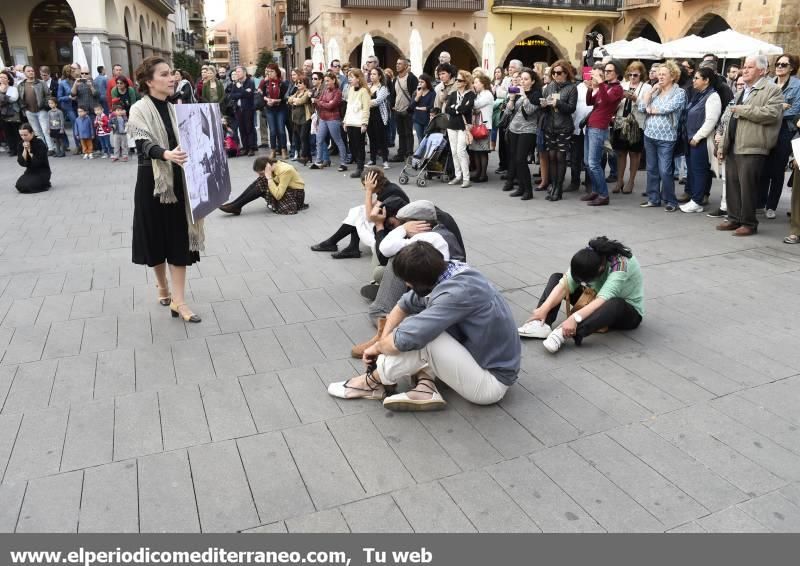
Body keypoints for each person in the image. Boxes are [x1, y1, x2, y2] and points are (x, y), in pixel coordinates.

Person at [327, 241, 520, 412]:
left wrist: (378, 348)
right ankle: (426, 386)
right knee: (417, 326)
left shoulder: (456, 293)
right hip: (477, 360)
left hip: (490, 383)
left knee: (421, 334)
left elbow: (405, 338)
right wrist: (382, 340)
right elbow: (403, 304)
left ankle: (372, 382)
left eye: (407, 282)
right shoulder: (447, 272)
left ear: (415, 281)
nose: (407, 286)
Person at [128, 56, 204, 323]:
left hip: (179, 183)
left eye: (171, 73)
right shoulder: (138, 109)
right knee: (155, 239)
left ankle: (179, 301)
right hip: (153, 183)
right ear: (149, 82)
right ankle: (162, 286)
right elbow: (143, 144)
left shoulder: (177, 109)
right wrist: (165, 154)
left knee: (178, 240)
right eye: (164, 74)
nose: (172, 77)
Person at [354, 200, 467, 357]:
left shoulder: (428, 239)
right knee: (394, 258)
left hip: (432, 296)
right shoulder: (441, 231)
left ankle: (386, 326)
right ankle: (389, 308)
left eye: (403, 225)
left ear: (417, 224)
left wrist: (401, 228)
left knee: (395, 259)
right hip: (437, 291)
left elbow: (385, 249)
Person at [519, 236, 644, 354]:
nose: (584, 283)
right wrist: (544, 308)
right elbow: (565, 283)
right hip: (594, 299)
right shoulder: (589, 255)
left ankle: (563, 332)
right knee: (557, 277)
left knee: (615, 303)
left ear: (601, 268)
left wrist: (573, 319)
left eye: (586, 281)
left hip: (625, 312)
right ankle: (542, 324)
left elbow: (603, 298)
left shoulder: (621, 266)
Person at [715, 55, 784, 236]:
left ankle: (748, 223)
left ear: (762, 70)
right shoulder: (742, 91)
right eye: (744, 67)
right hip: (734, 145)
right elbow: (729, 119)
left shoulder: (772, 89)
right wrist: (722, 146)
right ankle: (733, 218)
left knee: (748, 187)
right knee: (732, 185)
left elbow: (772, 113)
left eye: (750, 67)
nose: (744, 70)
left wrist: (743, 110)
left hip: (753, 145)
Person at [310, 168, 409, 259]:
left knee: (359, 215)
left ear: (373, 183)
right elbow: (370, 207)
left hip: (390, 232)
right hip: (387, 224)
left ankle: (338, 244)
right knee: (358, 211)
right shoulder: (387, 188)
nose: (364, 188)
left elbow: (370, 217)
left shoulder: (389, 191)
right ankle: (346, 246)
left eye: (365, 185)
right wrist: (369, 191)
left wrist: (369, 191)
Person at [638, 61, 687, 212]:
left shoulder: (679, 92)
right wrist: (651, 92)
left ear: (673, 76)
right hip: (649, 135)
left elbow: (668, 108)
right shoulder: (657, 91)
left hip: (667, 137)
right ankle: (653, 198)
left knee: (665, 170)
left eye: (663, 74)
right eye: (658, 74)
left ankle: (671, 200)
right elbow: (641, 107)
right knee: (652, 168)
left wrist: (651, 109)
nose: (660, 77)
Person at [757, 54, 800, 219]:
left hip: (784, 130)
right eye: (778, 63)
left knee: (777, 168)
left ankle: (771, 205)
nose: (780, 67)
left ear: (791, 67)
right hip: (767, 128)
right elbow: (761, 105)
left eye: (784, 64)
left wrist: (773, 110)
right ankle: (760, 202)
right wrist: (779, 107)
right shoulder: (769, 83)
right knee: (763, 165)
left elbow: (795, 110)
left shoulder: (797, 85)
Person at [678, 67, 721, 214]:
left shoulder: (712, 96)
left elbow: (711, 120)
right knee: (693, 170)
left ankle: (697, 201)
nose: (693, 80)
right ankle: (694, 197)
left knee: (699, 171)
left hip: (700, 140)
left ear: (706, 80)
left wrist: (697, 137)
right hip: (690, 139)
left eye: (697, 78)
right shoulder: (699, 94)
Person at [582, 59, 624, 206]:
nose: (606, 73)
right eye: (605, 71)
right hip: (591, 125)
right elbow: (590, 102)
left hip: (599, 127)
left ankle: (603, 194)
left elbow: (606, 102)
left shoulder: (618, 89)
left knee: (594, 163)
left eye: (609, 71)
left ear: (617, 73)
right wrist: (589, 87)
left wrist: (600, 83)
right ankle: (595, 190)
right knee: (588, 162)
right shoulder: (605, 86)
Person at [540, 59, 577, 201]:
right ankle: (554, 186)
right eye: (553, 73)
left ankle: (559, 189)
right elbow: (545, 102)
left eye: (559, 73)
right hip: (550, 126)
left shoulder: (571, 88)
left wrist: (558, 103)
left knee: (560, 157)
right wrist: (544, 104)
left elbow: (571, 108)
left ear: (566, 73)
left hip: (564, 127)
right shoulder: (550, 86)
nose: (556, 75)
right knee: (551, 157)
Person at [611, 61, 651, 195]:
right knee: (620, 152)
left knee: (634, 153)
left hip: (636, 124)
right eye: (630, 74)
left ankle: (631, 181)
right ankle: (619, 180)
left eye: (636, 75)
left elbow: (645, 107)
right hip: (621, 122)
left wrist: (636, 99)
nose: (633, 77)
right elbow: (613, 105)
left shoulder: (646, 87)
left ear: (641, 75)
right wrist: (620, 98)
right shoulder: (622, 85)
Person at [502, 68, 542, 200]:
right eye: (522, 79)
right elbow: (508, 112)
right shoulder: (517, 92)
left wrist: (524, 95)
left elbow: (530, 110)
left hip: (528, 130)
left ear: (532, 81)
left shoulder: (536, 94)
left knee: (521, 159)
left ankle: (528, 191)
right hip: (514, 129)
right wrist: (512, 99)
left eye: (526, 79)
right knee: (515, 159)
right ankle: (521, 188)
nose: (522, 82)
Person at [220, 156, 307, 216]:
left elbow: (278, 195)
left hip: (295, 197)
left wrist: (269, 177)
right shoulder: (274, 166)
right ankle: (235, 204)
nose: (260, 175)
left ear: (267, 167)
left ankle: (236, 206)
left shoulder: (285, 170)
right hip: (287, 191)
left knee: (263, 181)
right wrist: (267, 177)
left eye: (261, 173)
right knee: (262, 180)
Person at [444, 70, 476, 188]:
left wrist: (456, 108)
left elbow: (466, 109)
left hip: (464, 126)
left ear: (465, 82)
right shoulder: (453, 94)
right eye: (457, 80)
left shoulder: (470, 95)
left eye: (460, 80)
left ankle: (466, 178)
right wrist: (458, 108)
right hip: (451, 125)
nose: (457, 82)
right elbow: (448, 109)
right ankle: (458, 176)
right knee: (454, 152)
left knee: (461, 151)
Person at [311, 72, 348, 171]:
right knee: (319, 140)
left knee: (338, 140)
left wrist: (320, 102)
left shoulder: (337, 92)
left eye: (328, 81)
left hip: (333, 119)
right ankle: (318, 161)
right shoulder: (325, 91)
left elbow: (331, 106)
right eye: (325, 81)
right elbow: (321, 103)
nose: (326, 83)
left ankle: (343, 163)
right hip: (323, 118)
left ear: (334, 80)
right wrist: (323, 102)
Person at [343, 69, 371, 178]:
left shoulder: (364, 91)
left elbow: (366, 109)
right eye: (349, 77)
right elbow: (348, 107)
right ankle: (359, 165)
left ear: (358, 78)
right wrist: (345, 121)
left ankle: (360, 168)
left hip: (359, 123)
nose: (350, 79)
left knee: (359, 146)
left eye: (352, 77)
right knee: (352, 145)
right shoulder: (350, 90)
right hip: (350, 121)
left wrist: (364, 123)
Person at [20, 65, 54, 155]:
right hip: (29, 111)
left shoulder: (41, 83)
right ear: (24, 73)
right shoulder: (21, 85)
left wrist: (45, 104)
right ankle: (43, 148)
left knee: (46, 130)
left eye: (32, 71)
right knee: (37, 131)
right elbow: (20, 98)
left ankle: (51, 148)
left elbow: (48, 95)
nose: (31, 72)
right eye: (28, 71)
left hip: (41, 110)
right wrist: (24, 107)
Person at [389, 57, 418, 162]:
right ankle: (401, 153)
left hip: (408, 111)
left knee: (408, 133)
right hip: (397, 110)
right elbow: (393, 94)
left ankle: (409, 154)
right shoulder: (396, 79)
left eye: (400, 64)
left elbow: (416, 95)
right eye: (397, 63)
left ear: (406, 66)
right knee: (400, 133)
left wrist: (410, 109)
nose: (397, 65)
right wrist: (392, 105)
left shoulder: (411, 78)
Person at [468, 74, 494, 183]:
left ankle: (483, 174)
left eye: (476, 82)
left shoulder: (487, 94)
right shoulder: (479, 94)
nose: (474, 84)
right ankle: (478, 172)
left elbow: (475, 105)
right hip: (477, 126)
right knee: (476, 151)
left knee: (482, 151)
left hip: (484, 126)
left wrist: (470, 95)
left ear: (483, 83)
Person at [366, 67, 391, 169]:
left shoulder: (383, 88)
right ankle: (372, 159)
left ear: (379, 76)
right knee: (372, 138)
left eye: (374, 74)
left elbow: (378, 101)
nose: (372, 76)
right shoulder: (368, 87)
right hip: (369, 116)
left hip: (380, 116)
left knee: (382, 139)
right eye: (371, 74)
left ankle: (385, 160)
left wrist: (366, 103)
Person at [15, 123, 51, 193]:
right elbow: (22, 163)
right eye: (21, 135)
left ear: (32, 133)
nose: (23, 137)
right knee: (19, 185)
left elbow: (37, 162)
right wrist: (25, 150)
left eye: (25, 135)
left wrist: (29, 151)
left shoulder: (39, 143)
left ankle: (46, 183)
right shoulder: (20, 144)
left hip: (42, 171)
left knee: (28, 186)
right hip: (30, 171)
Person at [230, 66, 257, 156]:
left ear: (244, 72)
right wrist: (243, 93)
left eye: (239, 72)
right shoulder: (235, 83)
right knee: (242, 128)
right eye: (236, 72)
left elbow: (249, 95)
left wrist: (241, 89)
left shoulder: (250, 82)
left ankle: (251, 147)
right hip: (238, 109)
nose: (237, 73)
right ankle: (245, 147)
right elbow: (232, 95)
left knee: (249, 128)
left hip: (248, 108)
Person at [287, 76, 313, 165]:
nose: (297, 84)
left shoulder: (308, 92)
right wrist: (294, 100)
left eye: (300, 83)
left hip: (305, 118)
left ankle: (303, 156)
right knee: (299, 137)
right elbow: (289, 99)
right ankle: (308, 156)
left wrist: (295, 101)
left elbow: (302, 101)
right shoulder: (297, 92)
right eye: (297, 83)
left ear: (305, 84)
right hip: (296, 119)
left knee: (303, 137)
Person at [0, 71, 21, 156]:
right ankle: (12, 149)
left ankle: (19, 149)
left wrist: (2, 97)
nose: (2, 79)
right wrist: (5, 97)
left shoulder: (13, 88)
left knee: (16, 132)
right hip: (2, 114)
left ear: (8, 80)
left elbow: (14, 99)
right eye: (0, 77)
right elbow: (9, 99)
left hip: (13, 113)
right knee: (7, 132)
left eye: (4, 77)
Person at [411, 73, 435, 145]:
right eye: (419, 82)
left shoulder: (432, 93)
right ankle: (420, 154)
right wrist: (418, 96)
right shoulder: (416, 92)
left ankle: (426, 155)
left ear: (427, 82)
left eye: (422, 82)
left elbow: (432, 106)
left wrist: (421, 108)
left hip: (427, 119)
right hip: (417, 119)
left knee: (426, 138)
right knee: (420, 138)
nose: (420, 83)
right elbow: (412, 106)